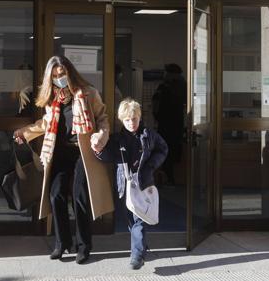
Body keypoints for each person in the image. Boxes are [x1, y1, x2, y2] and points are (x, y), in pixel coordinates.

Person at [13, 55, 114, 264]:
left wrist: (101, 135)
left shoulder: (88, 93)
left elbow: (103, 118)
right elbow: (45, 124)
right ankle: (62, 243)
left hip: (82, 153)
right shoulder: (53, 100)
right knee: (56, 194)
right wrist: (25, 132)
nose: (60, 78)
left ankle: (84, 246)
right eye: (55, 75)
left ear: (70, 73)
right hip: (59, 153)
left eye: (63, 74)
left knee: (80, 197)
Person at [94, 98, 168, 270]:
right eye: (127, 119)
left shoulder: (149, 135)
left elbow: (163, 148)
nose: (131, 123)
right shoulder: (117, 139)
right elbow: (108, 155)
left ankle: (136, 255)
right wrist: (98, 150)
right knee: (130, 219)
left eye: (134, 119)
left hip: (143, 182)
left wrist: (150, 166)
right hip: (125, 184)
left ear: (139, 117)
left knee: (139, 219)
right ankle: (141, 248)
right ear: (122, 119)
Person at [152, 63, 186, 185]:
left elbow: (156, 105)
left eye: (166, 72)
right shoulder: (185, 86)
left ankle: (167, 179)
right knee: (173, 152)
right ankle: (170, 179)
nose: (164, 74)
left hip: (165, 126)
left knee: (164, 151)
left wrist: (156, 118)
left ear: (171, 74)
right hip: (178, 126)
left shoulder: (164, 87)